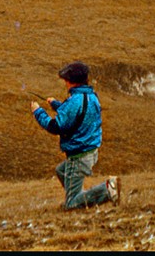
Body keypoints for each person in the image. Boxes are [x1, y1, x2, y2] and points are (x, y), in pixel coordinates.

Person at [30, 61, 120, 209]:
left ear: (71, 81)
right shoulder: (90, 96)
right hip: (90, 150)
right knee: (61, 170)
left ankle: (106, 190)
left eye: (65, 80)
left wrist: (38, 112)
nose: (65, 83)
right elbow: (78, 114)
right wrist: (56, 104)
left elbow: (56, 127)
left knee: (70, 204)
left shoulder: (75, 101)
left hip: (78, 155)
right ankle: (79, 197)